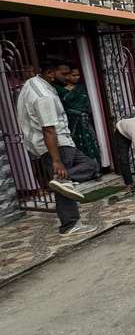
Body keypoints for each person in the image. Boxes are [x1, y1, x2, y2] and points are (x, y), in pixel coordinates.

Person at [16, 57, 100, 236]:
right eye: (64, 73)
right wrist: (56, 161)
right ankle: (70, 224)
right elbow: (48, 130)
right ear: (50, 73)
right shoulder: (43, 96)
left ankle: (63, 184)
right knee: (64, 182)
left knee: (86, 169)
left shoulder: (32, 84)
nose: (67, 77)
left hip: (58, 143)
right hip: (56, 145)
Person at [56, 67, 101, 166]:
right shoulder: (60, 91)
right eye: (74, 75)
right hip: (72, 122)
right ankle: (84, 168)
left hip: (84, 121)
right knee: (76, 145)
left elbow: (87, 104)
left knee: (90, 143)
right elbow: (62, 107)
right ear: (67, 76)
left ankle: (96, 166)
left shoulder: (82, 88)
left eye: (78, 75)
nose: (77, 77)